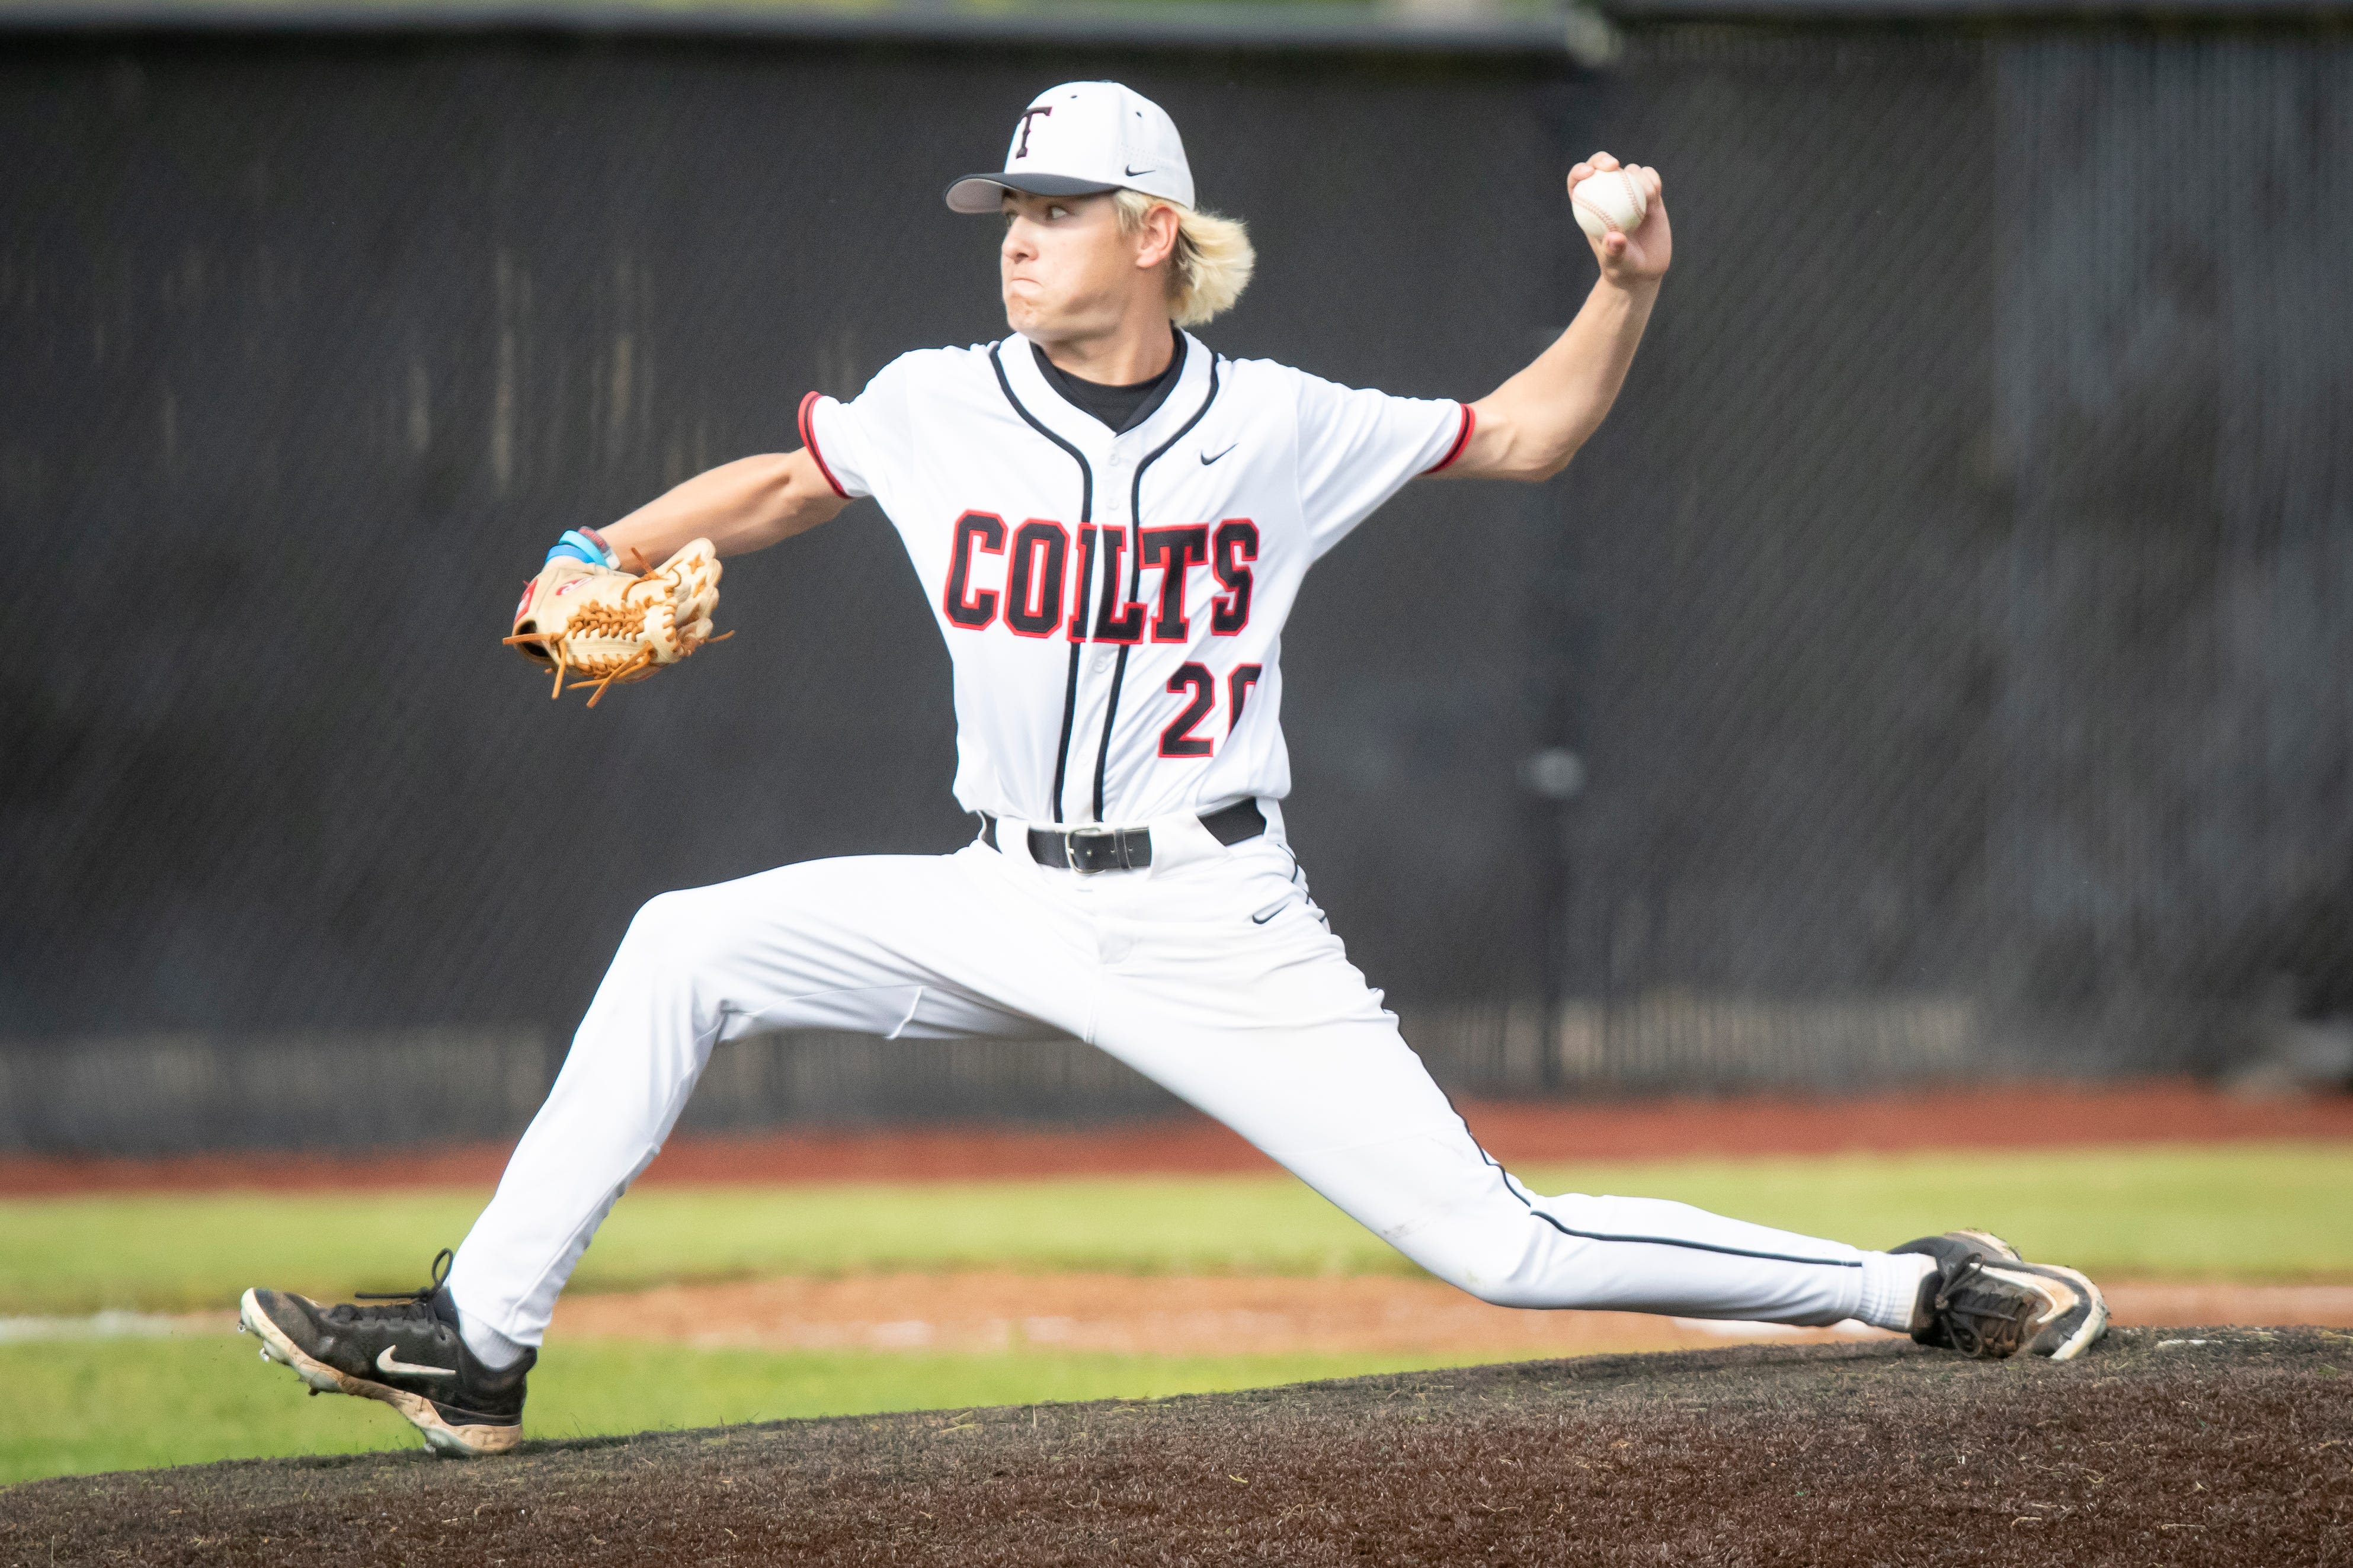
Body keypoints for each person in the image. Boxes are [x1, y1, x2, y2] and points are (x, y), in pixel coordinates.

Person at [240, 81, 2107, 1458]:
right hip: (994, 894)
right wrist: (601, 552)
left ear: (1151, 232)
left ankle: (1902, 1283)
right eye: (1003, 209)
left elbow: (1529, 435)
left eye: (1051, 206)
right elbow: (782, 482)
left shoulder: (1277, 423)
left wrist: (1624, 284)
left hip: (1212, 909)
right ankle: (477, 1345)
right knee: (684, 944)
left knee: (1501, 1253)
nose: (1013, 233)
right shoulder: (938, 396)